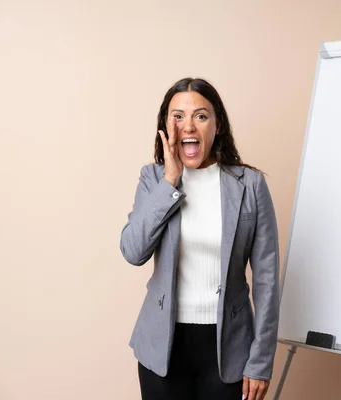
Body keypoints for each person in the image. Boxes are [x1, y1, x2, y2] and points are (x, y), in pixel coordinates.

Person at [120, 77, 281, 400]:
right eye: (177, 116)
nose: (188, 126)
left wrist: (260, 360)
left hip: (229, 348)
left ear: (217, 124)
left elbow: (267, 279)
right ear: (165, 126)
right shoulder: (153, 179)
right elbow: (133, 251)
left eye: (201, 116)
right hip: (161, 347)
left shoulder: (249, 185)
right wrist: (171, 180)